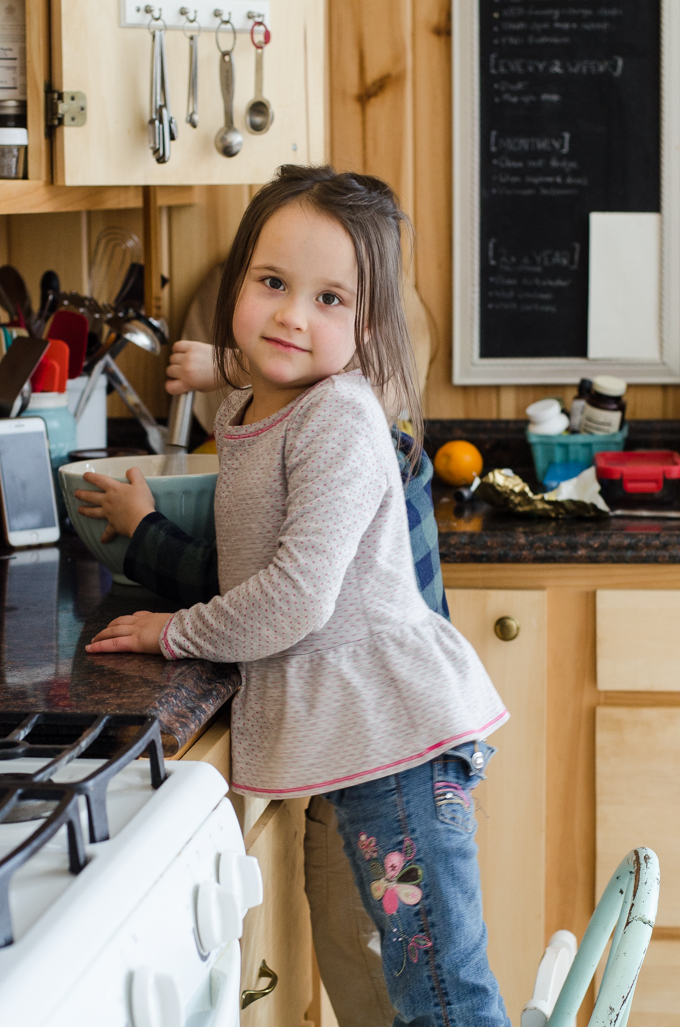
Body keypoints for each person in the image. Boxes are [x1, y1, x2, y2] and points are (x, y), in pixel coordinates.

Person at [77, 165, 510, 1027]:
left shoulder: (340, 419)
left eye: (330, 300)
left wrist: (174, 632)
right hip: (364, 749)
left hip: (396, 749)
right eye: (272, 282)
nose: (291, 315)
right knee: (378, 993)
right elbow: (248, 547)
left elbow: (293, 598)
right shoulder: (258, 403)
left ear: (369, 325)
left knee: (440, 999)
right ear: (238, 281)